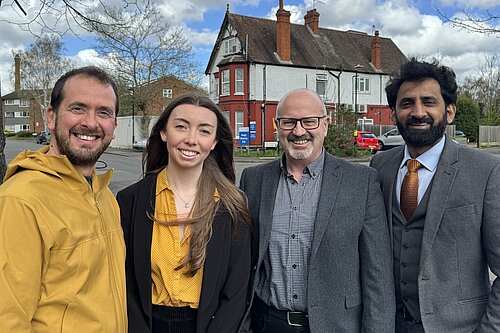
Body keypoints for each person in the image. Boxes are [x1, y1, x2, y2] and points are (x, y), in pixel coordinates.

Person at [240, 88, 395, 332]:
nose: (299, 131)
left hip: (337, 325)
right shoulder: (254, 180)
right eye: (288, 122)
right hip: (268, 323)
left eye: (309, 121)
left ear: (325, 124)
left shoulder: (361, 181)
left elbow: (378, 275)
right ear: (277, 126)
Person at [370, 58, 500, 333]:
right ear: (394, 113)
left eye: (429, 102)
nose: (418, 112)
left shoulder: (486, 171)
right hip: (390, 325)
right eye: (407, 103)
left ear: (449, 111)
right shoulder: (380, 166)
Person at [0, 66, 127, 332]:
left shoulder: (104, 197)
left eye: (103, 112)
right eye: (78, 108)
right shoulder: (21, 200)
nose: (91, 123)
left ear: (114, 126)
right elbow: (7, 319)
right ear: (51, 117)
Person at [116, 93, 251, 333]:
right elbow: (124, 282)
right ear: (163, 132)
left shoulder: (232, 205)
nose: (191, 139)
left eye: (204, 131)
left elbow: (236, 291)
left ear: (214, 143)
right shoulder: (130, 200)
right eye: (181, 127)